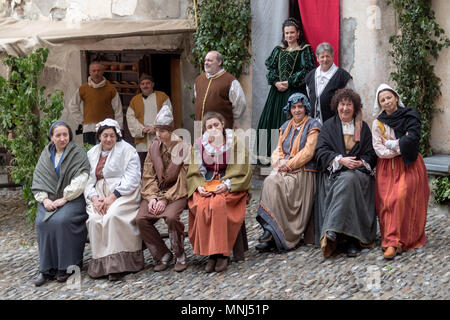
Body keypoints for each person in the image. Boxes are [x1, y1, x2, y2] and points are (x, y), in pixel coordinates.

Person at [314, 89, 377, 258]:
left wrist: (360, 162)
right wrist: (340, 160)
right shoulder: (329, 125)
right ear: (337, 106)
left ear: (354, 107)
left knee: (350, 179)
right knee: (347, 181)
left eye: (349, 104)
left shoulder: (361, 128)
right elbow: (320, 151)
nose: (345, 108)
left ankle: (334, 230)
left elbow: (371, 154)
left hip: (359, 174)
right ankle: (350, 240)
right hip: (335, 174)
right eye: (342, 104)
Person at [255, 93, 321, 253]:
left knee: (276, 183)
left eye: (300, 106)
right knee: (271, 181)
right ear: (289, 109)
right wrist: (278, 163)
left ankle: (278, 233)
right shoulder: (285, 126)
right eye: (294, 107)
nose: (297, 110)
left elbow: (308, 152)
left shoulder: (313, 125)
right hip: (284, 170)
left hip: (303, 172)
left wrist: (288, 165)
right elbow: (278, 150)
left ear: (306, 108)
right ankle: (271, 231)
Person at [187, 112, 252, 273]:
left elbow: (242, 169)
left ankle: (222, 253)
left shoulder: (234, 141)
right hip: (207, 184)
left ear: (223, 124)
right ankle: (211, 253)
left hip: (230, 183)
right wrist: (199, 186)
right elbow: (193, 171)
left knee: (218, 204)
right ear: (205, 129)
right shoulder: (199, 144)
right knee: (202, 205)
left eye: (216, 125)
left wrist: (227, 184)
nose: (214, 128)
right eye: (209, 127)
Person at [372, 84, 430, 260]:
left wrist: (392, 144)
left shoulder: (410, 115)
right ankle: (391, 241)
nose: (387, 102)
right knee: (388, 201)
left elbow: (412, 139)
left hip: (409, 164)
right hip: (387, 168)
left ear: (396, 97)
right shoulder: (378, 123)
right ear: (380, 104)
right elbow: (378, 148)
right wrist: (397, 147)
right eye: (383, 100)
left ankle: (407, 237)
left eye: (389, 97)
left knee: (403, 196)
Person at [31, 121, 90, 286]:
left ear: (70, 136)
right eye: (58, 135)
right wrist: (45, 199)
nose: (62, 138)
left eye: (65, 134)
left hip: (72, 199)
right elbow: (39, 178)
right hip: (49, 200)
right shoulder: (46, 154)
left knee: (62, 221)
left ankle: (66, 267)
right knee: (42, 222)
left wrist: (65, 198)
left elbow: (82, 178)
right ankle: (46, 269)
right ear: (52, 137)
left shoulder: (77, 153)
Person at [84, 118, 143, 281]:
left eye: (112, 135)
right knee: (95, 219)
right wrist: (95, 199)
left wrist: (112, 197)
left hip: (123, 193)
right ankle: (102, 266)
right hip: (99, 195)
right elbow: (87, 180)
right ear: (99, 136)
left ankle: (119, 265)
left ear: (117, 136)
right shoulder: (91, 153)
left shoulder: (127, 150)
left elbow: (132, 178)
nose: (108, 139)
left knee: (112, 216)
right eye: (105, 135)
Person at [136, 105, 190, 273]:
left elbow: (185, 179)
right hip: (156, 194)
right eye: (157, 130)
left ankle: (179, 254)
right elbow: (147, 175)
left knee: (172, 217)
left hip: (177, 192)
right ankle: (162, 254)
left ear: (171, 130)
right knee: (141, 218)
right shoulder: (153, 147)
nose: (159, 134)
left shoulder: (184, 148)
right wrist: (152, 198)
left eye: (163, 131)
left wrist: (165, 198)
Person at [257, 18, 316, 159]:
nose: (289, 36)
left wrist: (289, 82)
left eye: (291, 33)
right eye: (286, 33)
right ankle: (271, 157)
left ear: (298, 33)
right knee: (272, 123)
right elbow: (270, 69)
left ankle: (290, 155)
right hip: (277, 93)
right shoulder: (279, 50)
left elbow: (307, 70)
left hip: (294, 92)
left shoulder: (304, 50)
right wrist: (276, 82)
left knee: (293, 122)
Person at [68, 61, 123, 145]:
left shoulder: (111, 89)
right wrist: (82, 121)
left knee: (107, 154)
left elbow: (118, 110)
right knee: (90, 153)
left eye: (98, 70)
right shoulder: (83, 89)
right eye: (93, 71)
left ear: (102, 71)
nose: (96, 73)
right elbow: (72, 105)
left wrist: (118, 128)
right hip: (89, 128)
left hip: (107, 129)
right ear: (90, 72)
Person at [126, 73, 172, 168]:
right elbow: (130, 117)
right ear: (140, 86)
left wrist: (156, 128)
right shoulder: (135, 100)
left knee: (160, 165)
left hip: (158, 137)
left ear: (152, 84)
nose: (145, 86)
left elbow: (167, 114)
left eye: (148, 83)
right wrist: (142, 129)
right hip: (142, 139)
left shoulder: (162, 97)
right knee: (143, 165)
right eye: (143, 84)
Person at [194, 50, 246, 129]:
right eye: (205, 60)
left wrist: (228, 119)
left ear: (219, 62)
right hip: (200, 129)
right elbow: (197, 98)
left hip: (221, 130)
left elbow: (240, 105)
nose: (206, 63)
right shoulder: (199, 80)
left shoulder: (230, 81)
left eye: (210, 60)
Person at [305, 42, 354, 125]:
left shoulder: (342, 76)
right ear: (317, 58)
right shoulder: (310, 76)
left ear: (332, 57)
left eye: (328, 56)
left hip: (335, 123)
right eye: (322, 57)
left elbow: (353, 99)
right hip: (314, 124)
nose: (325, 59)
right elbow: (309, 96)